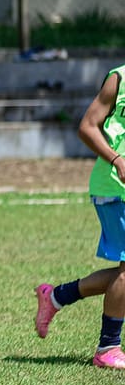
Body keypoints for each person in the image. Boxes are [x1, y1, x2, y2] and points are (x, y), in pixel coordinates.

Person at [35, 63, 125, 369]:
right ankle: (108, 347)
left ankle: (56, 296)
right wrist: (117, 160)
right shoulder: (119, 79)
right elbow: (87, 126)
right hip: (115, 187)